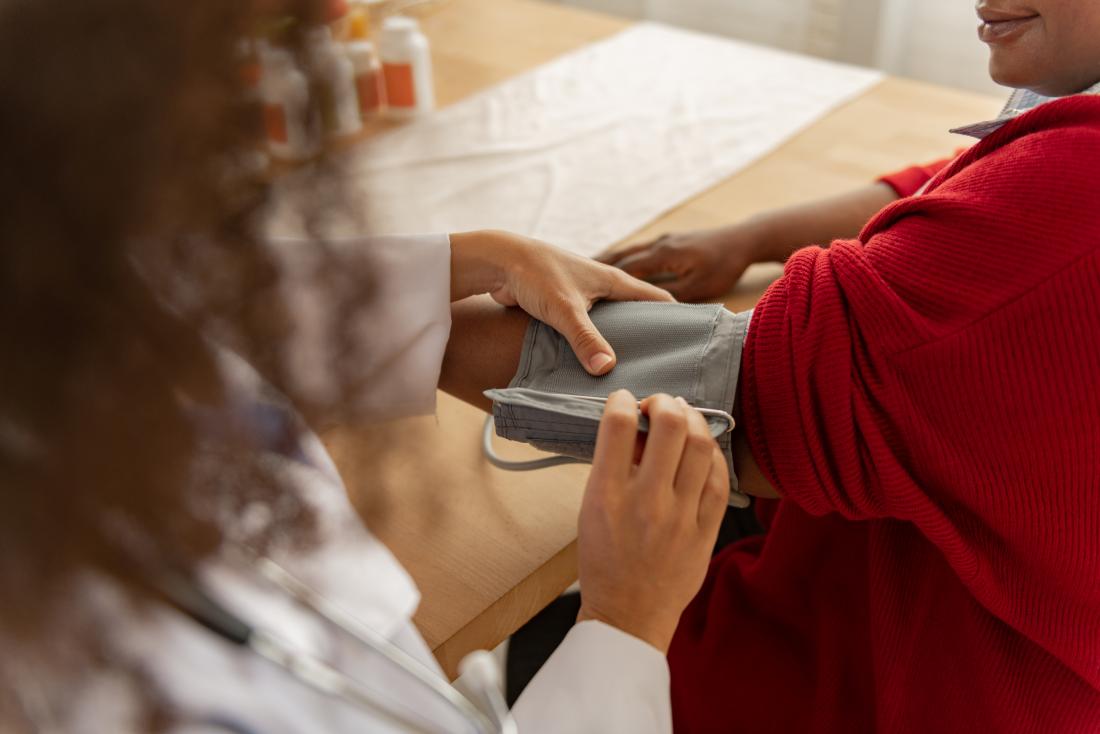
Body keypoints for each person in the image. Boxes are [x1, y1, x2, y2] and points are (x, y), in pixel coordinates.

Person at [0, 1, 730, 732]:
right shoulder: (113, 686)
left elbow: (173, 300)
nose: (333, 15)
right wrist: (623, 628)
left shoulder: (55, 280)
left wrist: (469, 257)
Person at [444, 1, 1100, 731]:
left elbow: (755, 394)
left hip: (861, 676)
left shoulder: (1074, 208)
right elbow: (959, 175)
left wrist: (386, 301)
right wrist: (750, 237)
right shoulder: (1066, 129)